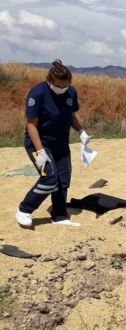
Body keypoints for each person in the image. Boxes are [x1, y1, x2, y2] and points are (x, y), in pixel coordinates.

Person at [15, 59, 92, 227]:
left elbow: (70, 115)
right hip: (40, 143)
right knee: (49, 178)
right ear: (49, 81)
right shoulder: (37, 93)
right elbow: (31, 125)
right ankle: (24, 209)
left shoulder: (71, 92)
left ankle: (59, 216)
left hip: (61, 143)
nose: (62, 89)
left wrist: (81, 131)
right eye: (59, 86)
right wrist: (40, 151)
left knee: (63, 180)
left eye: (66, 86)